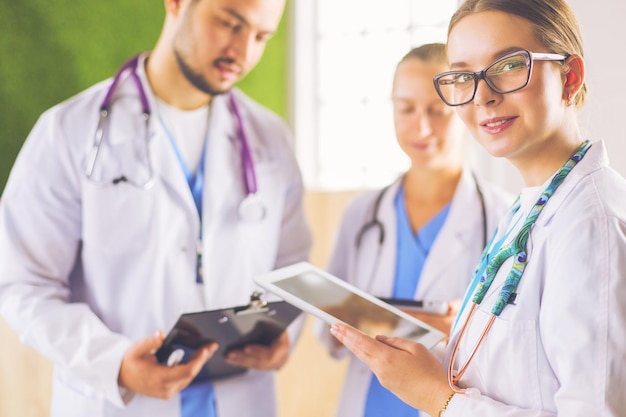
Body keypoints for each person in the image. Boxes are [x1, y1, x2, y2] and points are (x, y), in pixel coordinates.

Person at [0, 0, 311, 416]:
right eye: (229, 23)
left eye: (260, 37)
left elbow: (291, 266)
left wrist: (280, 337)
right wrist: (113, 362)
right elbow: (23, 284)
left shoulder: (271, 139)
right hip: (120, 403)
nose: (242, 51)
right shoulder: (69, 131)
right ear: (177, 4)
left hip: (239, 400)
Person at [329, 0, 626, 416]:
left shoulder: (590, 224)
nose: (482, 96)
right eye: (464, 75)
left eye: (508, 66)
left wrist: (436, 397)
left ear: (569, 77)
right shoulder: (532, 209)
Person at [317, 43, 512, 417]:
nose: (421, 127)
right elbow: (324, 330)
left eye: (437, 111)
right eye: (406, 108)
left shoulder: (504, 218)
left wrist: (461, 328)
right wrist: (347, 319)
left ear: (466, 109)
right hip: (367, 404)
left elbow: (516, 350)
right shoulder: (361, 214)